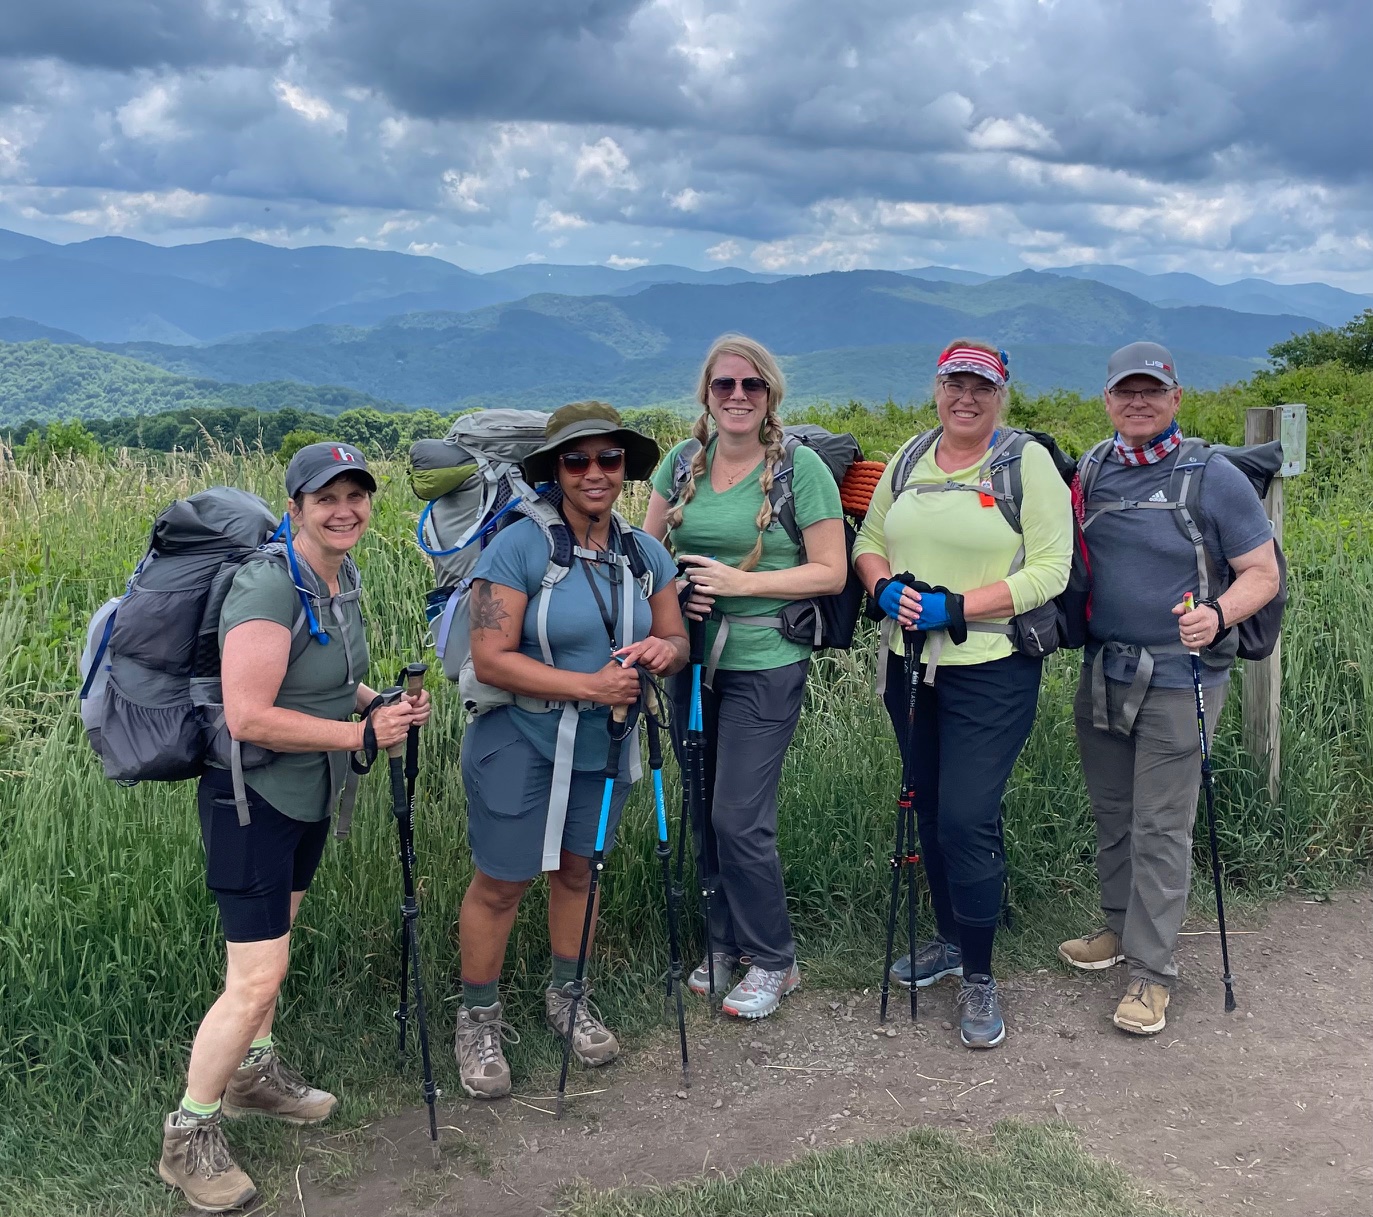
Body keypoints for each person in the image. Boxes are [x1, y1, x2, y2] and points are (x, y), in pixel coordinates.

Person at [160, 442, 430, 1213]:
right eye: (326, 498)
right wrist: (359, 738)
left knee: (272, 952)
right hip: (250, 802)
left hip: (303, 797)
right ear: (295, 507)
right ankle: (189, 1135)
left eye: (357, 494)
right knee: (255, 976)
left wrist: (379, 702)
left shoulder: (339, 579)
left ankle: (252, 1076)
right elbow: (247, 714)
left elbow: (333, 682)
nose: (345, 509)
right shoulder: (268, 582)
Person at [454, 402, 687, 1099]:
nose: (594, 472)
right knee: (502, 882)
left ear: (625, 470)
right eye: (576, 459)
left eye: (608, 460)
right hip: (517, 739)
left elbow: (675, 642)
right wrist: (588, 684)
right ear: (554, 469)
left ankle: (567, 996)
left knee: (580, 874)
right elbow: (489, 658)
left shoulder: (642, 553)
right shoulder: (517, 548)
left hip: (602, 743)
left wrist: (660, 650)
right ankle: (478, 1017)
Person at [853, 340, 1072, 1050]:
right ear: (936, 387)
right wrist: (881, 584)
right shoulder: (911, 455)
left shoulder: (1023, 462)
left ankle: (978, 972)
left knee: (965, 818)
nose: (965, 397)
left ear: (1000, 393)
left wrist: (961, 606)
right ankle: (949, 939)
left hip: (991, 666)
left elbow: (1050, 570)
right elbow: (868, 534)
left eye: (980, 385)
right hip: (909, 664)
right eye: (954, 382)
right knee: (925, 806)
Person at [1059, 342, 1280, 1035]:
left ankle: (1152, 974)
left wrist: (1217, 614)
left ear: (1175, 398)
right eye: (1125, 391)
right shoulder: (1092, 468)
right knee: (1114, 811)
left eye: (1150, 391)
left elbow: (1261, 572)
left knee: (1160, 825)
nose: (1137, 402)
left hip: (1181, 675)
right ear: (1106, 400)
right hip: (1103, 667)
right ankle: (1119, 929)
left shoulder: (1212, 477)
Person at [643, 334, 847, 1020]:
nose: (736, 396)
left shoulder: (801, 467)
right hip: (692, 660)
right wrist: (676, 589)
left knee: (738, 817)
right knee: (703, 808)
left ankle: (774, 958)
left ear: (769, 397)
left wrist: (738, 580)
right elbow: (647, 559)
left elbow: (831, 570)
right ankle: (723, 941)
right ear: (705, 392)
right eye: (724, 385)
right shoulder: (679, 464)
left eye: (750, 386)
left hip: (765, 664)